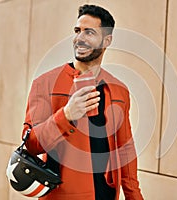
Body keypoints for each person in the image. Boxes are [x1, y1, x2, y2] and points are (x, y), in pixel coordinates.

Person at [22, 4, 144, 200]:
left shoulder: (119, 90)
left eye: (89, 32)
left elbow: (125, 150)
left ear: (107, 40)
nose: (80, 38)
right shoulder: (44, 83)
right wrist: (66, 115)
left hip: (106, 194)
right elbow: (32, 144)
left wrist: (134, 196)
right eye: (77, 31)